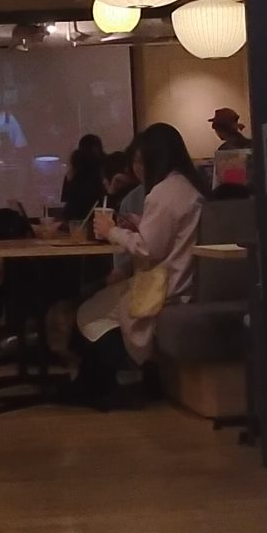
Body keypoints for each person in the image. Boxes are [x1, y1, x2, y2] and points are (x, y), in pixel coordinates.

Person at [72, 121, 206, 406]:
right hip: (182, 280)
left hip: (163, 288)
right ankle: (107, 383)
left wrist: (111, 230)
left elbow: (147, 249)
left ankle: (119, 379)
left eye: (140, 161)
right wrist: (138, 223)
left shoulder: (162, 193)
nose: (136, 169)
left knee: (89, 311)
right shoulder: (187, 186)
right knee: (96, 303)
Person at [57, 134, 107, 225]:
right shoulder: (102, 170)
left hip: (76, 221)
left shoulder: (74, 173)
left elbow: (66, 201)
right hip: (95, 220)